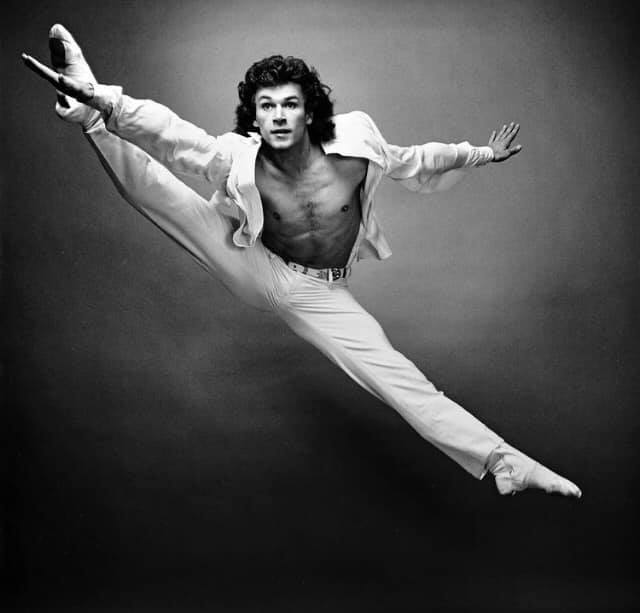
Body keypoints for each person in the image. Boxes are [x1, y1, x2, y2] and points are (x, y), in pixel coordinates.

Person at [22, 24, 581, 497]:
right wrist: (108, 102)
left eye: (290, 104)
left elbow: (417, 159)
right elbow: (174, 136)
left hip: (320, 293)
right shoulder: (240, 158)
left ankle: (505, 461)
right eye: (266, 107)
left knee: (402, 380)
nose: (279, 116)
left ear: (310, 109)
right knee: (162, 195)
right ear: (254, 116)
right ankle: (90, 115)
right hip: (252, 261)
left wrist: (481, 153)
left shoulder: (358, 144)